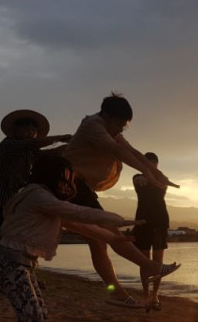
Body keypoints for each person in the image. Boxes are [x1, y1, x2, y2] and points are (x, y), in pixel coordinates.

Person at [0, 156, 178, 322]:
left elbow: (80, 225)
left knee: (38, 316)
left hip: (20, 264)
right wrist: (114, 219)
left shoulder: (43, 198)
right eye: (65, 176)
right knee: (32, 318)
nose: (68, 182)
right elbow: (77, 212)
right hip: (10, 262)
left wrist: (113, 237)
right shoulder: (37, 195)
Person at [63, 93, 180, 307]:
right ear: (106, 116)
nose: (119, 130)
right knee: (108, 230)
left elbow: (132, 151)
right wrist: (148, 173)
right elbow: (116, 150)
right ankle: (148, 266)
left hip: (77, 185)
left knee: (98, 241)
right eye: (118, 124)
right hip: (69, 184)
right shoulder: (94, 125)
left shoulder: (110, 130)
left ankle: (115, 292)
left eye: (123, 127)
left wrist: (158, 174)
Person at [0, 109, 72, 247]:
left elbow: (50, 154)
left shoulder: (31, 152)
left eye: (33, 129)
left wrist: (71, 146)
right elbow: (34, 144)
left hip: (8, 199)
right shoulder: (9, 144)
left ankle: (1, 257)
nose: (30, 132)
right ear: (16, 129)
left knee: (7, 234)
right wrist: (62, 138)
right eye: (26, 128)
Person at [132, 152, 170, 311]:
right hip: (142, 223)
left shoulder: (162, 178)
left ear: (156, 165)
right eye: (146, 163)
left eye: (153, 164)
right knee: (144, 261)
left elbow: (162, 183)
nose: (150, 166)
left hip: (160, 223)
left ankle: (155, 295)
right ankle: (146, 294)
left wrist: (151, 177)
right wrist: (144, 177)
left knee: (158, 262)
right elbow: (138, 181)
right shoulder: (137, 177)